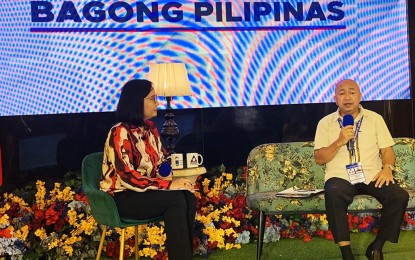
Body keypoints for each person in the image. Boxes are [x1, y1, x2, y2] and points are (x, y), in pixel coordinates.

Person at [100, 79, 197, 260]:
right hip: (121, 197)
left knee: (188, 196)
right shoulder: (120, 132)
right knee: (175, 199)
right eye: (153, 98)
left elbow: (161, 162)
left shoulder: (150, 129)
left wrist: (173, 178)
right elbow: (128, 177)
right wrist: (168, 186)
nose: (158, 103)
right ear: (137, 102)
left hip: (145, 192)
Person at [313, 79, 409, 260]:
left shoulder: (375, 119)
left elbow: (387, 150)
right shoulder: (325, 123)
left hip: (371, 174)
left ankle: (376, 247)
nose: (347, 97)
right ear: (335, 99)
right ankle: (347, 254)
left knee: (399, 196)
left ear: (360, 96)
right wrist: (339, 141)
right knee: (333, 192)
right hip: (339, 176)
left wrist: (387, 168)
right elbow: (319, 158)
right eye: (342, 93)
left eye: (352, 92)